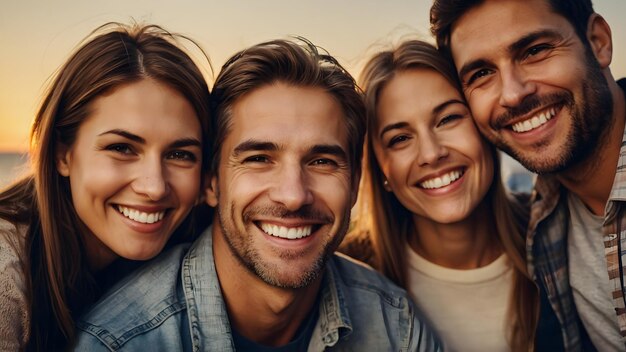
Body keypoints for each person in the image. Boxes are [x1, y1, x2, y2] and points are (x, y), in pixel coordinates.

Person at [73, 38, 441, 351]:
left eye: (322, 161)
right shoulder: (120, 342)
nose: (294, 196)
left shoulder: (396, 325)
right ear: (211, 183)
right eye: (260, 158)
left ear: (356, 180)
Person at [0, 23, 211, 350]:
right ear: (62, 154)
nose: (154, 187)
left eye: (180, 154)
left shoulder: (199, 253)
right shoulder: (6, 275)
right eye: (122, 148)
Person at [430, 0, 626, 350]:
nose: (513, 94)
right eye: (481, 74)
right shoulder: (543, 219)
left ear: (598, 42)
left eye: (535, 51)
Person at [339, 40, 538, 351]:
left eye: (448, 119)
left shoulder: (556, 237)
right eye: (400, 138)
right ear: (381, 170)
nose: (431, 154)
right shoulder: (342, 281)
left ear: (483, 125)